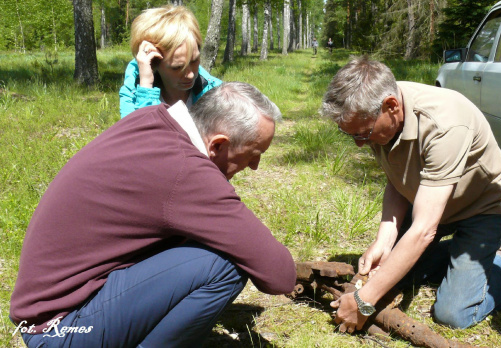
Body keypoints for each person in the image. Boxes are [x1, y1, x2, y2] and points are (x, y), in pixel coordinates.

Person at [10, 82, 296, 347]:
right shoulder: (186, 171)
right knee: (225, 267)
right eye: (253, 153)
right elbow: (279, 276)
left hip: (42, 316)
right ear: (217, 144)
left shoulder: (151, 120)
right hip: (59, 331)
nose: (255, 166)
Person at [320, 56, 501, 332]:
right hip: (430, 199)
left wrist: (364, 302)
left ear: (392, 106)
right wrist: (384, 239)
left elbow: (424, 230)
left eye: (363, 134)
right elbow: (397, 178)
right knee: (394, 272)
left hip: (482, 208)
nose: (359, 143)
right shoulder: (376, 113)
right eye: (350, 134)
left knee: (453, 314)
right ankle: (461, 257)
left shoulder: (444, 124)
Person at [119, 5, 222, 118]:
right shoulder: (133, 93)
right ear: (153, 62)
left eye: (194, 60)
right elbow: (139, 134)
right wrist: (146, 88)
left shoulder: (216, 92)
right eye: (177, 67)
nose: (190, 74)